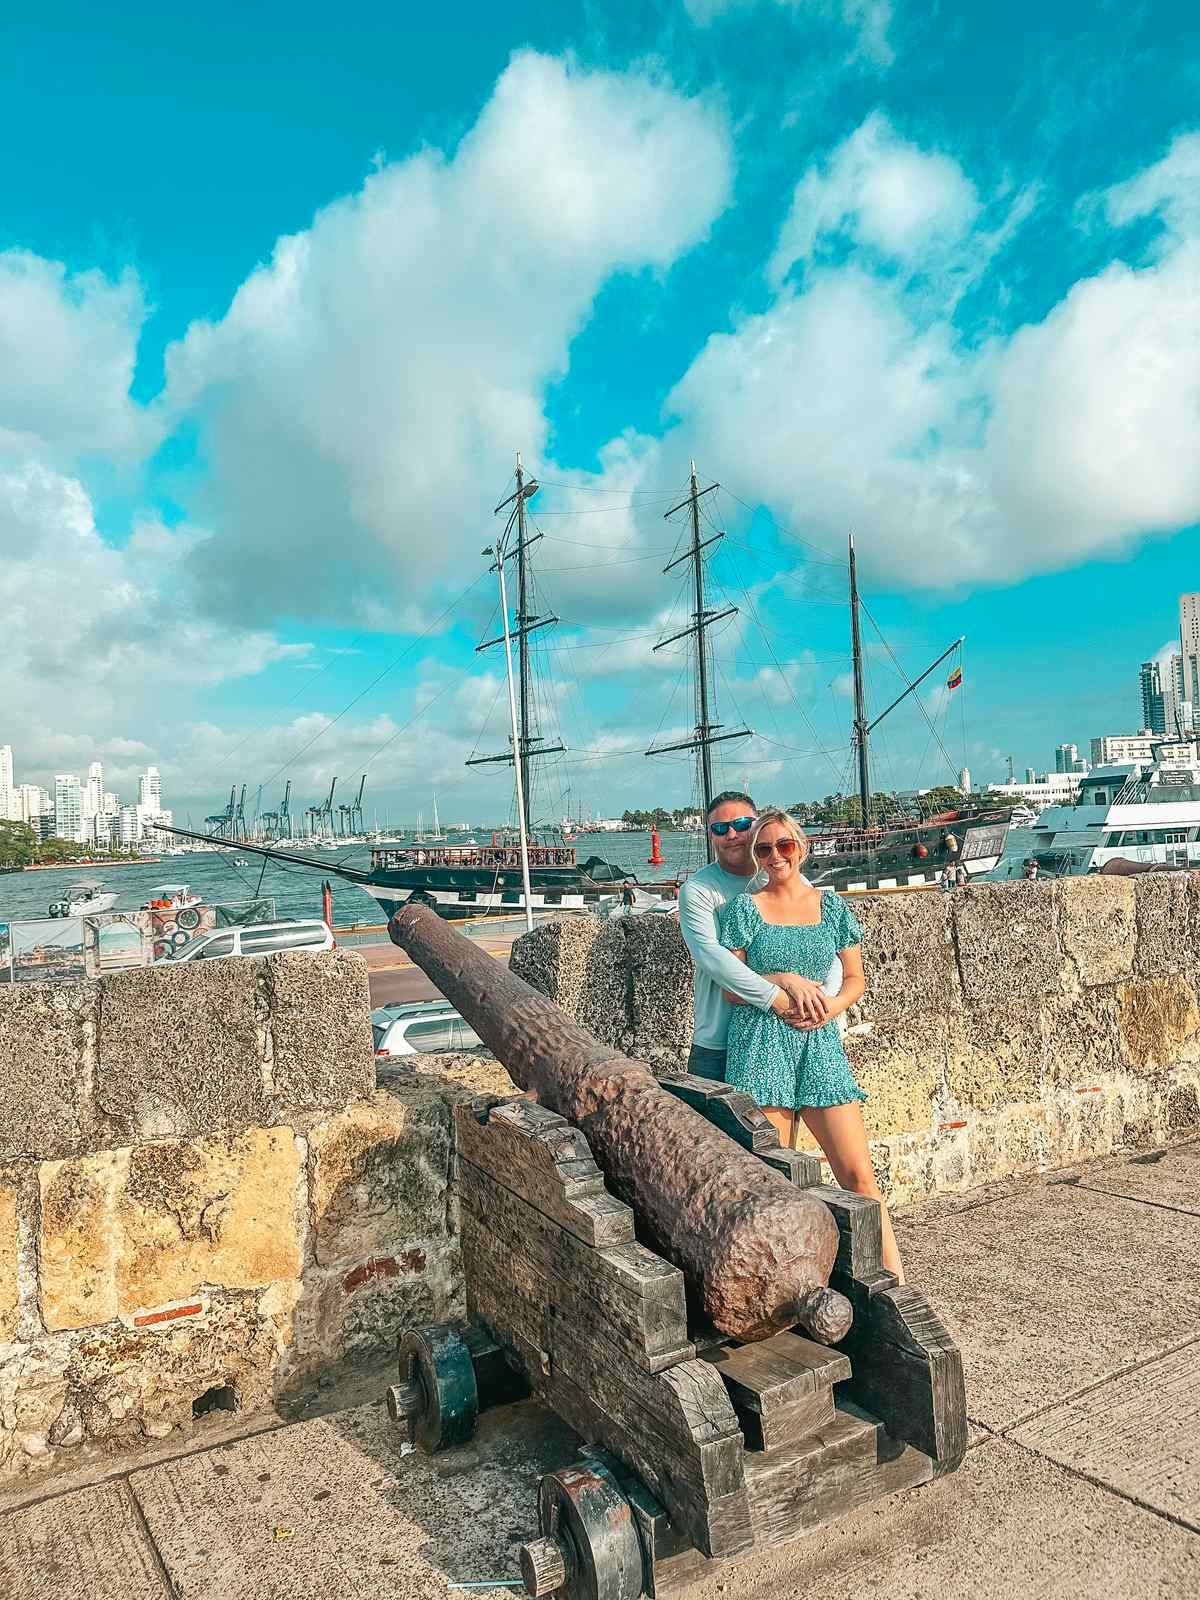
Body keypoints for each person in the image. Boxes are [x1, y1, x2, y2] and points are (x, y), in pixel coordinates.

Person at [718, 808, 905, 1282]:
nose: (775, 856)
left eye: (784, 845)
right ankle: (789, 1291)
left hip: (818, 1041)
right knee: (775, 1184)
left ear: (801, 848)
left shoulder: (832, 908)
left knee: (859, 1175)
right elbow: (729, 986)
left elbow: (857, 978)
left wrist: (833, 1005)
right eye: (764, 848)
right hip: (761, 1043)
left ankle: (896, 1284)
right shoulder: (743, 909)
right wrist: (779, 980)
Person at [678, 793, 829, 1083]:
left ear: (757, 825)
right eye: (720, 829)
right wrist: (781, 989)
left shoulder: (786, 879)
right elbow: (713, 958)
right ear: (710, 835)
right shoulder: (698, 890)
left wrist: (824, 1003)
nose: (731, 835)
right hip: (719, 1040)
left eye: (742, 824)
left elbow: (826, 941)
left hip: (788, 1031)